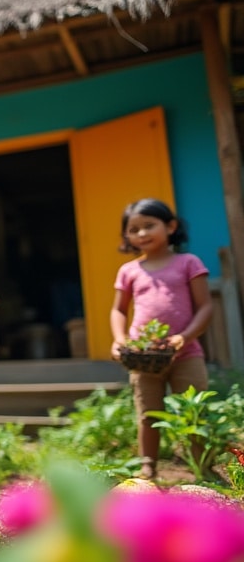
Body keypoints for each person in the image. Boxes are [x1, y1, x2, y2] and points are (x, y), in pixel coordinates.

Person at [109, 198, 212, 480]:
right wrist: (119, 340)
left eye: (149, 226)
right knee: (147, 413)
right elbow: (119, 309)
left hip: (187, 353)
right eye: (134, 229)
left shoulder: (188, 262)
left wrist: (185, 337)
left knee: (194, 413)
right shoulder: (129, 271)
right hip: (143, 358)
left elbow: (205, 306)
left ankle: (203, 466)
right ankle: (148, 468)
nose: (141, 233)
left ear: (171, 226)